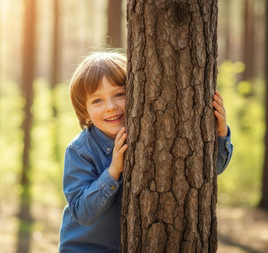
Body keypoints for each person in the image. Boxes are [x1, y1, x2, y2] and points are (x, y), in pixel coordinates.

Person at [59, 52, 233, 252]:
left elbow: (206, 173)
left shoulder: (150, 135)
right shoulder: (80, 151)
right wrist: (113, 172)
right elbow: (83, 213)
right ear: (84, 109)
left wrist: (220, 134)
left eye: (119, 94)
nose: (111, 107)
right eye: (97, 100)